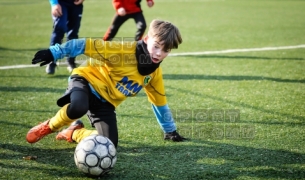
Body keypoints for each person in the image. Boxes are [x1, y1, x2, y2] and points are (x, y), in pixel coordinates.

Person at [26, 19, 187, 148]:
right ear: (146, 39)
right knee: (79, 107)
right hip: (85, 80)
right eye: (156, 46)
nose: (159, 53)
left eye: (166, 50)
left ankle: (74, 132)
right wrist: (54, 52)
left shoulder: (153, 74)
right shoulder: (123, 51)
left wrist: (170, 130)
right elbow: (85, 45)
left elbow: (159, 102)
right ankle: (49, 126)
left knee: (109, 144)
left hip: (105, 102)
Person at [46, 0, 84, 75]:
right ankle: (52, 61)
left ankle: (71, 62)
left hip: (76, 3)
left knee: (73, 33)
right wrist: (54, 3)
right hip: (61, 2)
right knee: (59, 30)